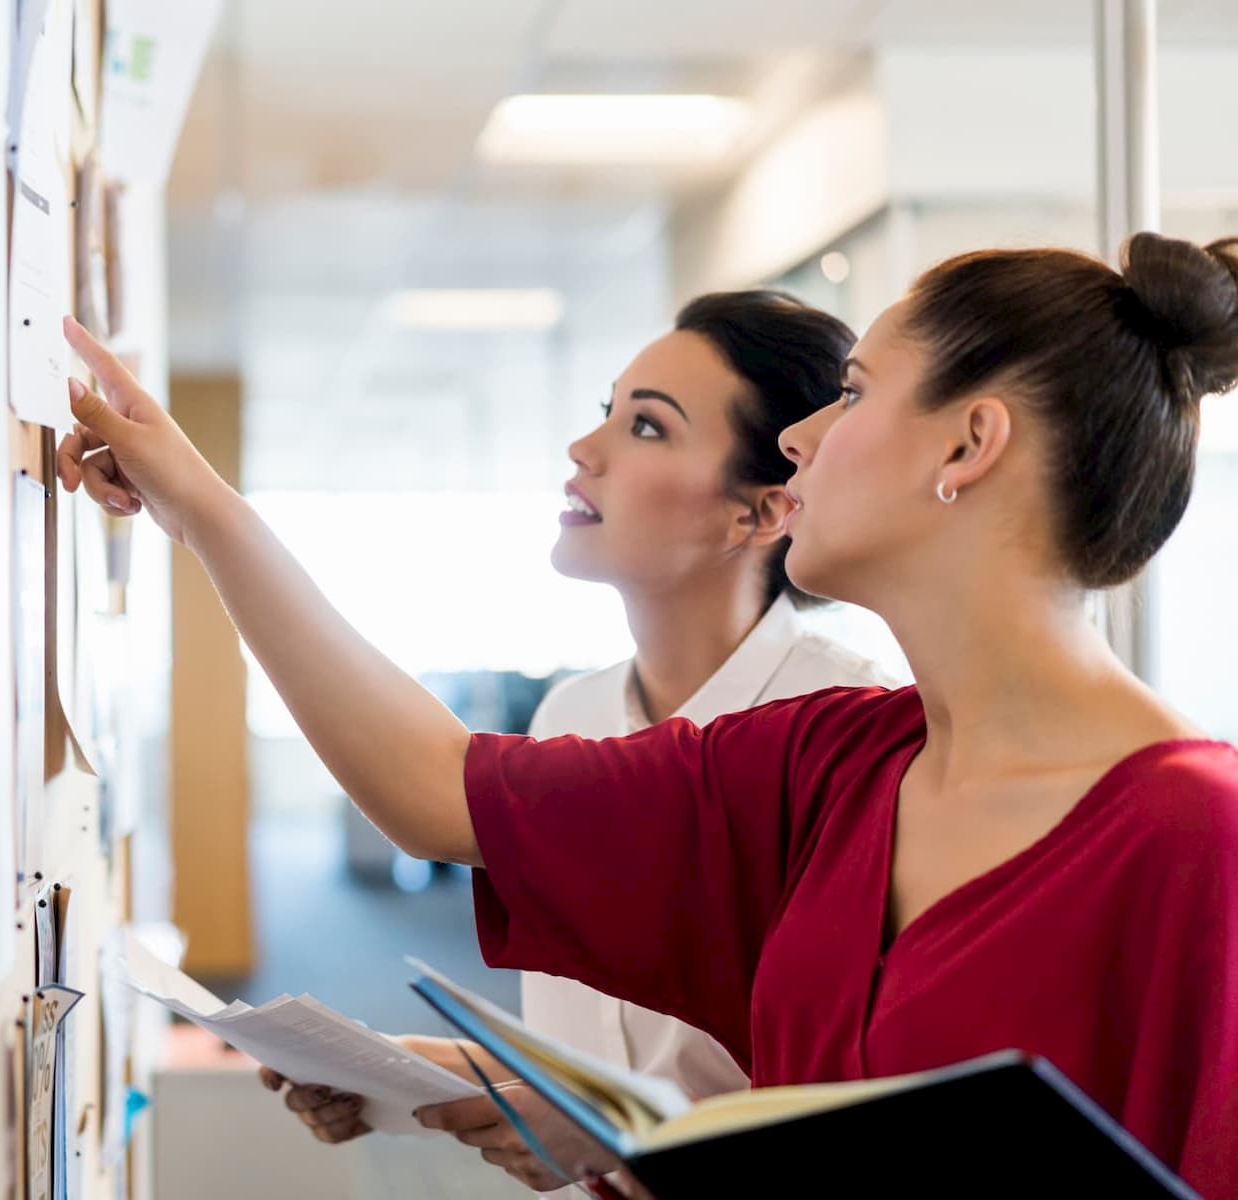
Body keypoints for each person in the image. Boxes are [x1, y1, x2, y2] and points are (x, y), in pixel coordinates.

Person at [57, 232, 1238, 1198]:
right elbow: (435, 786)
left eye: (857, 395)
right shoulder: (836, 766)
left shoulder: (1197, 840)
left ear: (970, 443)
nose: (801, 438)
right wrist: (196, 508)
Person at [251, 292, 901, 1192]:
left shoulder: (846, 725)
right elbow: (601, 1073)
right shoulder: (571, 714)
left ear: (762, 512)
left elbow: (856, 1100)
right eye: (607, 412)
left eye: (645, 428)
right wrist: (428, 1074)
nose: (583, 451)